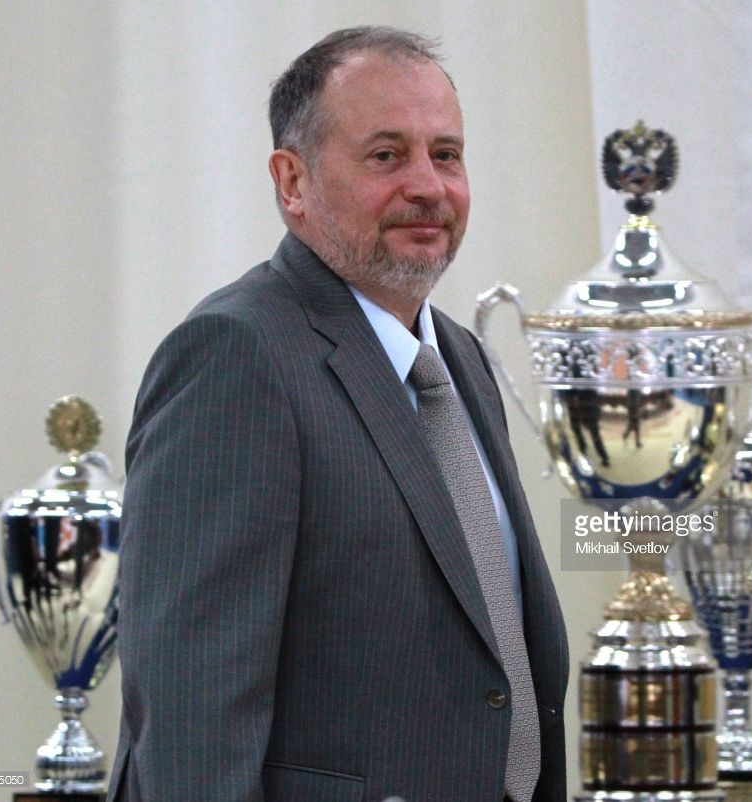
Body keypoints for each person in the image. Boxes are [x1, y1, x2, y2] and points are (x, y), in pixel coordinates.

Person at [108, 26, 568, 802]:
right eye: (386, 156)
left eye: (446, 155)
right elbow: (192, 708)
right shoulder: (236, 355)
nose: (428, 186)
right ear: (292, 181)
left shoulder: (459, 358)